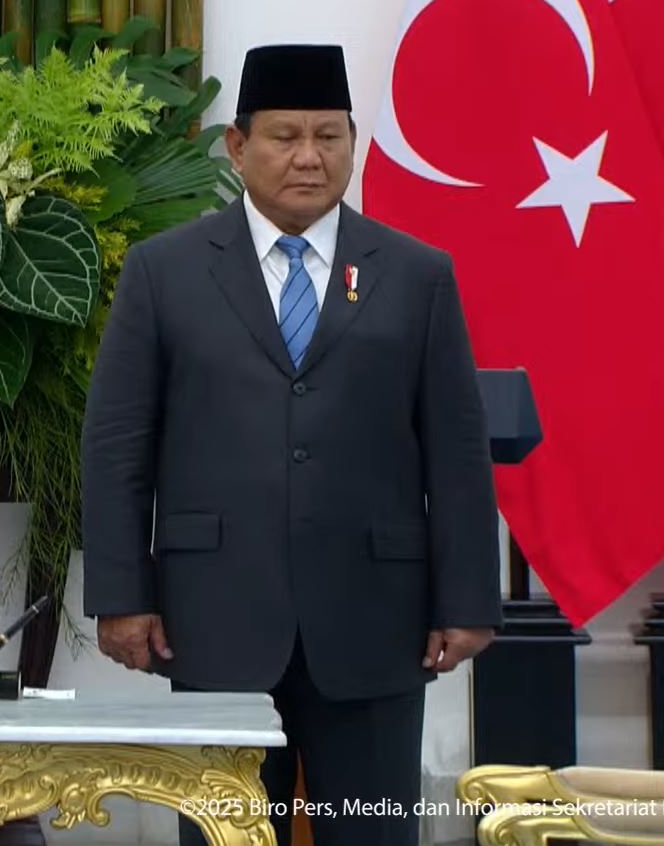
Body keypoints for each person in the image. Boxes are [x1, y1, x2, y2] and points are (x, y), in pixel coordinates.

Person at [80, 44, 500, 846]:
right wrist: (122, 594)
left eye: (329, 135)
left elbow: (455, 446)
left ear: (352, 143)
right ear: (238, 148)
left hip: (377, 623)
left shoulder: (417, 275)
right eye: (284, 136)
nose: (309, 157)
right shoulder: (164, 273)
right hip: (213, 620)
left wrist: (468, 598)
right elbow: (117, 444)